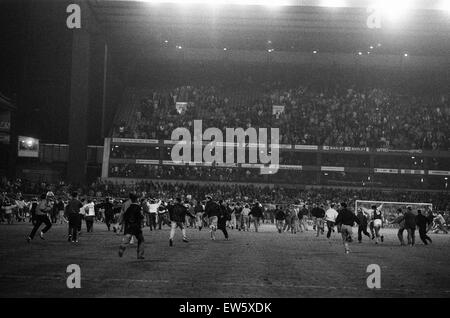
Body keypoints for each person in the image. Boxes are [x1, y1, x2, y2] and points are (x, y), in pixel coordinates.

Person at [118, 193, 145, 259]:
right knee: (141, 239)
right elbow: (140, 216)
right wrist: (143, 221)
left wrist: (121, 222)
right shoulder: (138, 207)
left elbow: (124, 215)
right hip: (136, 226)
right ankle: (140, 255)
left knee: (127, 238)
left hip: (128, 225)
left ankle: (122, 246)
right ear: (136, 199)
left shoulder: (129, 208)